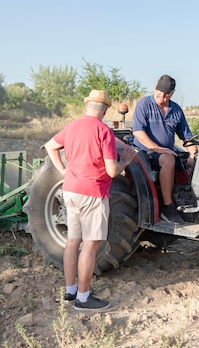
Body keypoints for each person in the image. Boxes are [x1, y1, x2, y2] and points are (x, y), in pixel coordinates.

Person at [44, 90, 136, 312]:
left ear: (87, 107)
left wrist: (64, 171)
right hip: (92, 194)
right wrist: (126, 159)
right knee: (91, 245)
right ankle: (84, 299)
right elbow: (112, 170)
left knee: (73, 241)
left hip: (71, 191)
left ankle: (71, 289)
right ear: (104, 110)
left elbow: (50, 146)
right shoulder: (103, 131)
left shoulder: (72, 126)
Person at [132, 75, 198, 224]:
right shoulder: (144, 104)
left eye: (165, 94)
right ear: (155, 87)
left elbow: (186, 137)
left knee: (197, 162)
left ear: (172, 94)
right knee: (168, 159)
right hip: (145, 152)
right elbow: (138, 132)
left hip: (166, 151)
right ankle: (168, 207)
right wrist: (158, 149)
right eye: (158, 92)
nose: (161, 96)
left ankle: (191, 203)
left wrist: (194, 153)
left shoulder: (176, 110)